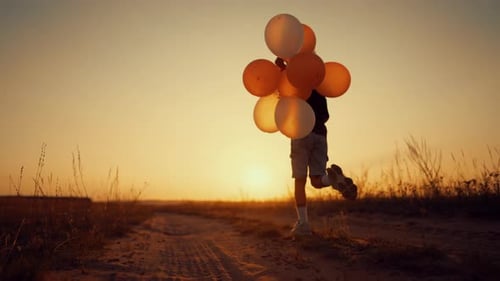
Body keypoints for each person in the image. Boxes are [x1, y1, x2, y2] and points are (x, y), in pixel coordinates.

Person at [275, 57, 358, 236]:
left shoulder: (296, 85)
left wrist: (282, 69)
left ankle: (303, 224)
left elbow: (288, 84)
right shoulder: (320, 91)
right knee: (317, 180)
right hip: (320, 135)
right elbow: (326, 116)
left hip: (301, 133)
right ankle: (334, 180)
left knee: (300, 181)